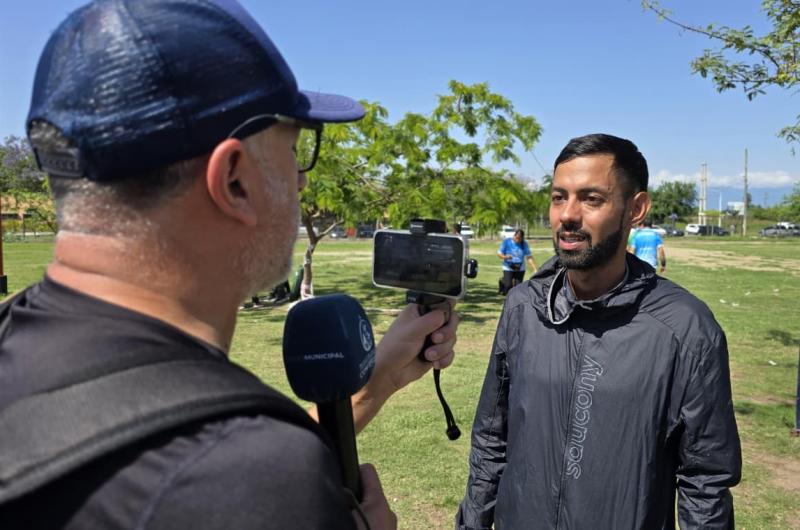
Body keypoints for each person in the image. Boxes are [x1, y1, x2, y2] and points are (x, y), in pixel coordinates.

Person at [0, 1, 460, 529]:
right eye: (296, 149)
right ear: (235, 181)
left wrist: (372, 384)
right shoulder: (258, 478)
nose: (302, 181)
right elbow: (225, 473)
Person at [456, 133, 740, 529]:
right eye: (559, 197)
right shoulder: (523, 307)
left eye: (592, 199)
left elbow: (705, 480)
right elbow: (491, 438)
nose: (568, 215)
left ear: (635, 209)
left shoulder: (684, 328)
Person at [497, 229, 537, 295]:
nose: (517, 240)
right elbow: (499, 254)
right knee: (508, 285)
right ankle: (503, 281)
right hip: (508, 266)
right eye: (516, 238)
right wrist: (505, 257)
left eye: (520, 239)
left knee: (518, 287)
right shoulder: (507, 242)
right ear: (514, 236)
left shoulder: (524, 244)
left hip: (520, 267)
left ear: (522, 238)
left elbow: (529, 257)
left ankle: (513, 299)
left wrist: (534, 269)